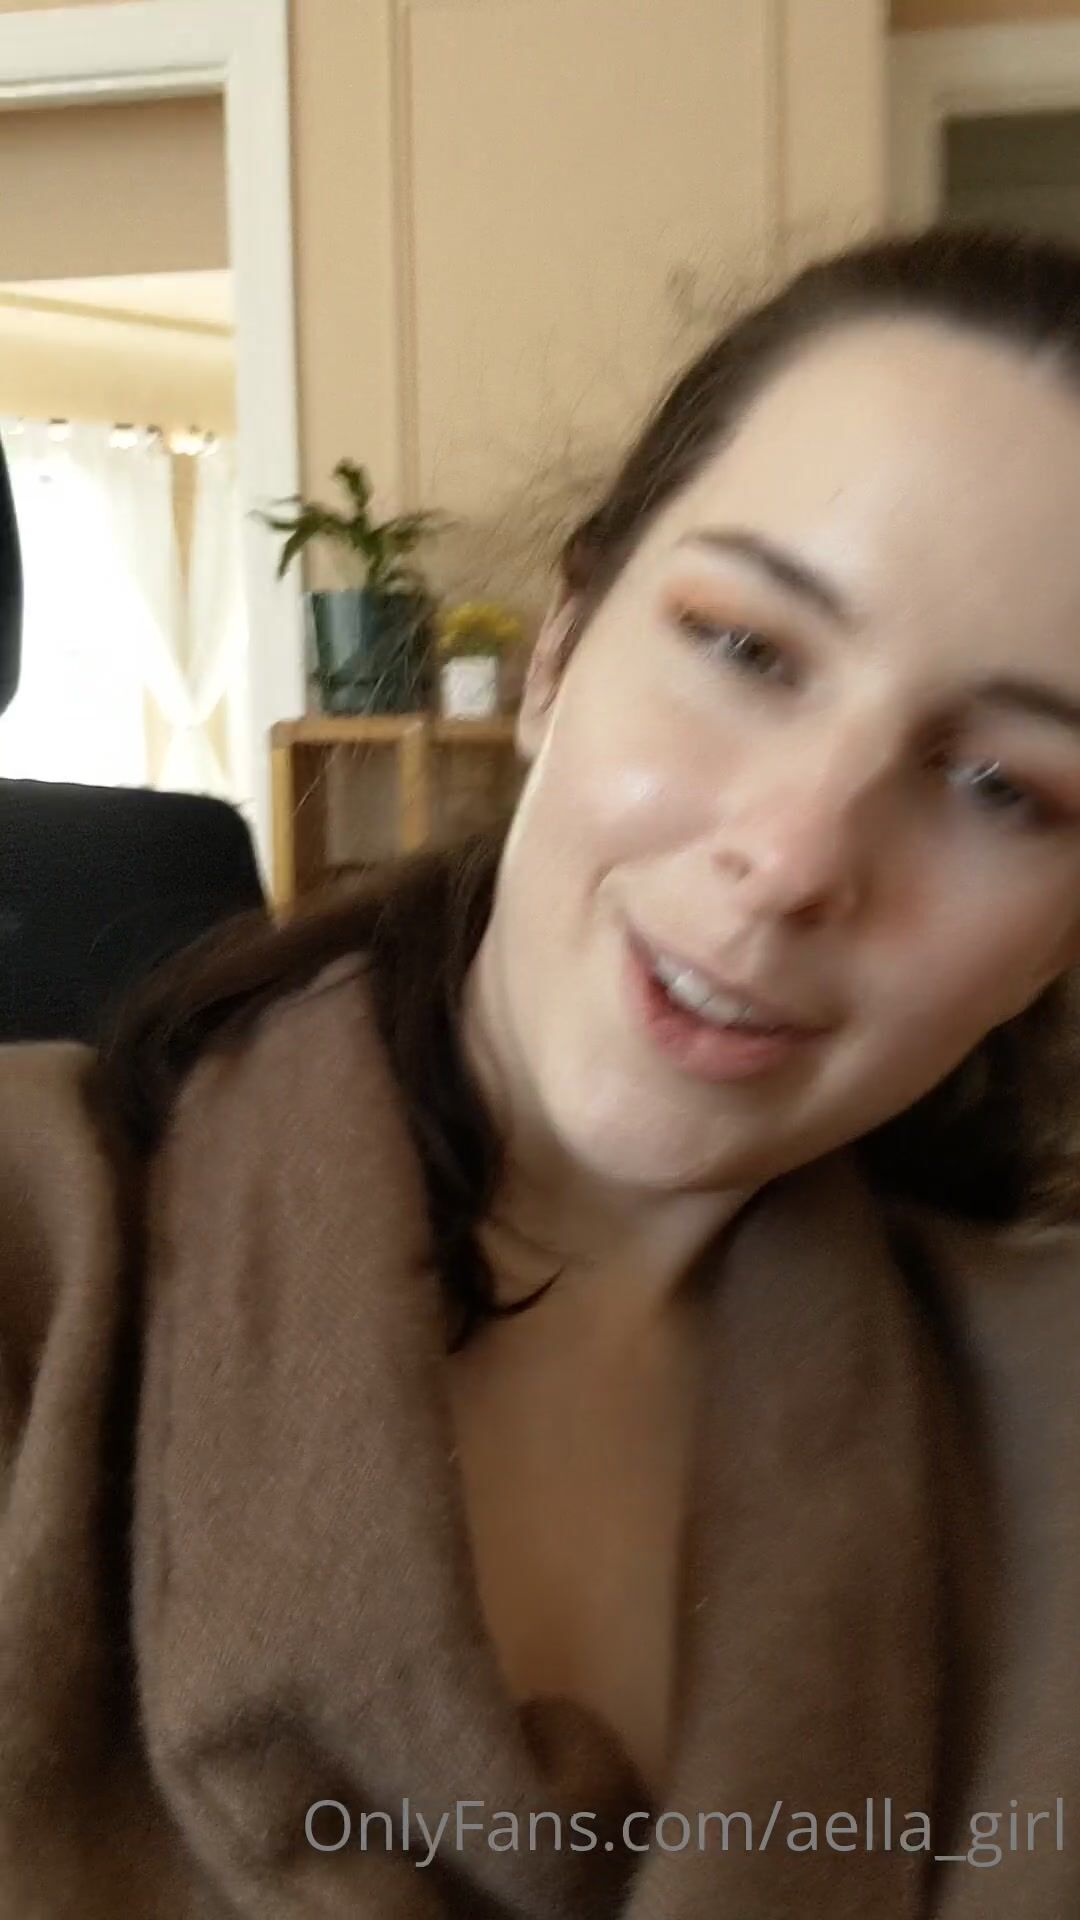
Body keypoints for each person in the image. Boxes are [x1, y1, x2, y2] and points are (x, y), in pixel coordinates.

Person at [4, 223, 1080, 1920]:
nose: (794, 859)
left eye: (1004, 787)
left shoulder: (1046, 1428)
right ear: (562, 651)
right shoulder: (31, 1246)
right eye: (747, 649)